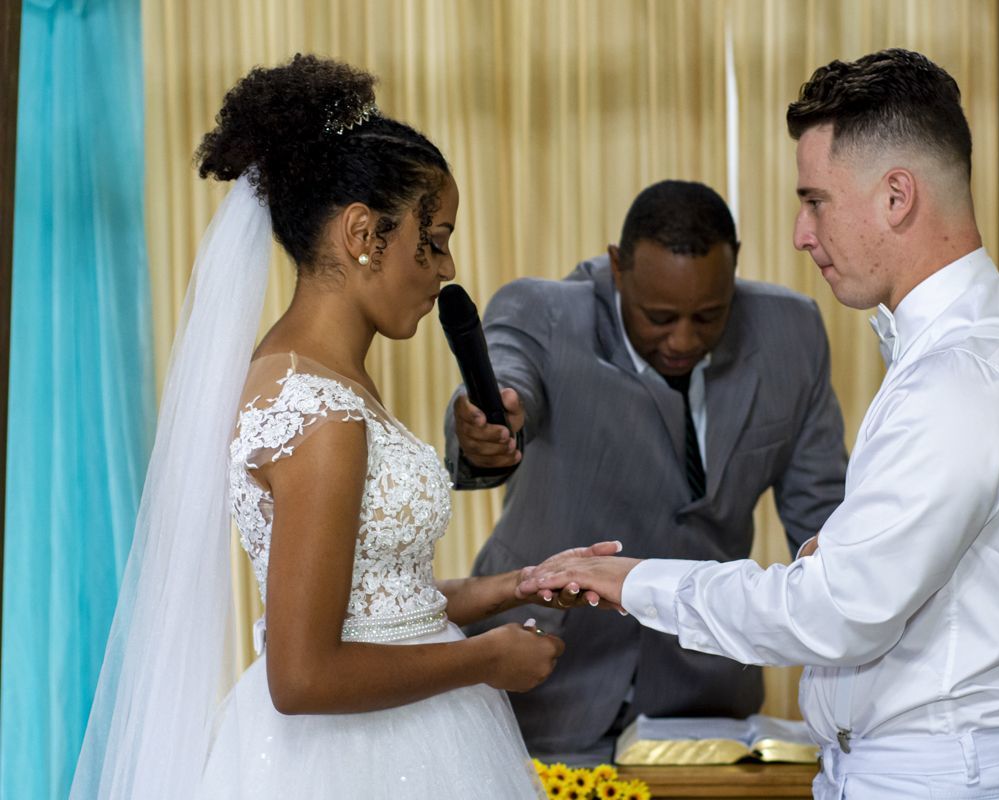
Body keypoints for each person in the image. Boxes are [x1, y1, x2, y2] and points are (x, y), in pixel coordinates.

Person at [524, 49, 999, 799]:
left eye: (816, 201)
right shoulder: (974, 339)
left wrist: (635, 581)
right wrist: (838, 557)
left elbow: (837, 611)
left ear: (896, 197)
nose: (800, 233)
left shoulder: (960, 377)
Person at [71, 55, 614, 799]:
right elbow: (303, 676)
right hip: (355, 760)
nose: (447, 267)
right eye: (436, 237)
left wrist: (515, 586)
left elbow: (376, 606)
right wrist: (487, 659)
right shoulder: (321, 413)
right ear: (363, 232)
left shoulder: (309, 376)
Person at [445, 179, 848, 761]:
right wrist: (488, 427)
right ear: (617, 267)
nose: (683, 339)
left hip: (704, 695)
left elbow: (825, 518)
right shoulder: (546, 312)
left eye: (708, 316)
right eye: (659, 317)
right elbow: (507, 375)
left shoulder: (793, 331)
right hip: (544, 680)